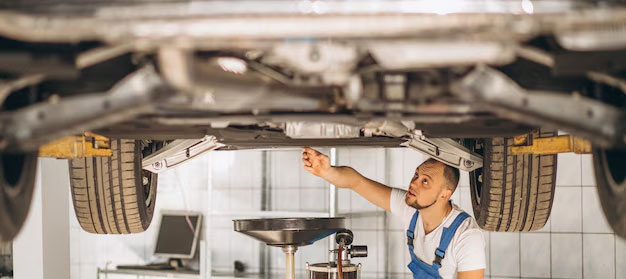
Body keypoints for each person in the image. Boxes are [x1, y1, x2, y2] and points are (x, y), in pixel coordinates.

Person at [301, 147, 486, 279]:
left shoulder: (466, 237)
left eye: (425, 182)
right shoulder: (411, 209)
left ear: (445, 194)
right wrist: (327, 171)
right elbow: (356, 182)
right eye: (416, 175)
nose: (413, 183)